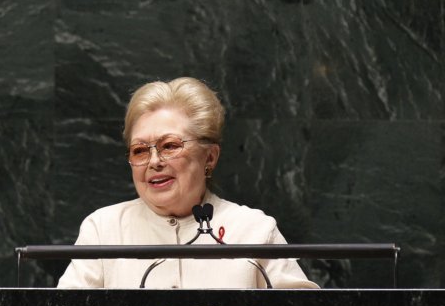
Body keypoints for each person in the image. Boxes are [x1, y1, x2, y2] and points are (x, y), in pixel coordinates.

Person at [57, 77, 318, 289]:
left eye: (169, 146)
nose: (154, 162)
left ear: (210, 156)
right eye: (140, 151)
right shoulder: (104, 229)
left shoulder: (253, 231)